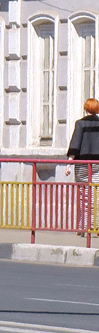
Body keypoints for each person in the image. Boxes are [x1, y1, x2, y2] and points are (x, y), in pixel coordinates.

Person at [67, 98, 99, 234]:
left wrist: (68, 164)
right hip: (98, 164)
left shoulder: (80, 124)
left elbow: (75, 144)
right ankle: (96, 225)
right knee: (97, 195)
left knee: (84, 196)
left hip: (82, 164)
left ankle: (84, 226)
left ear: (86, 109)